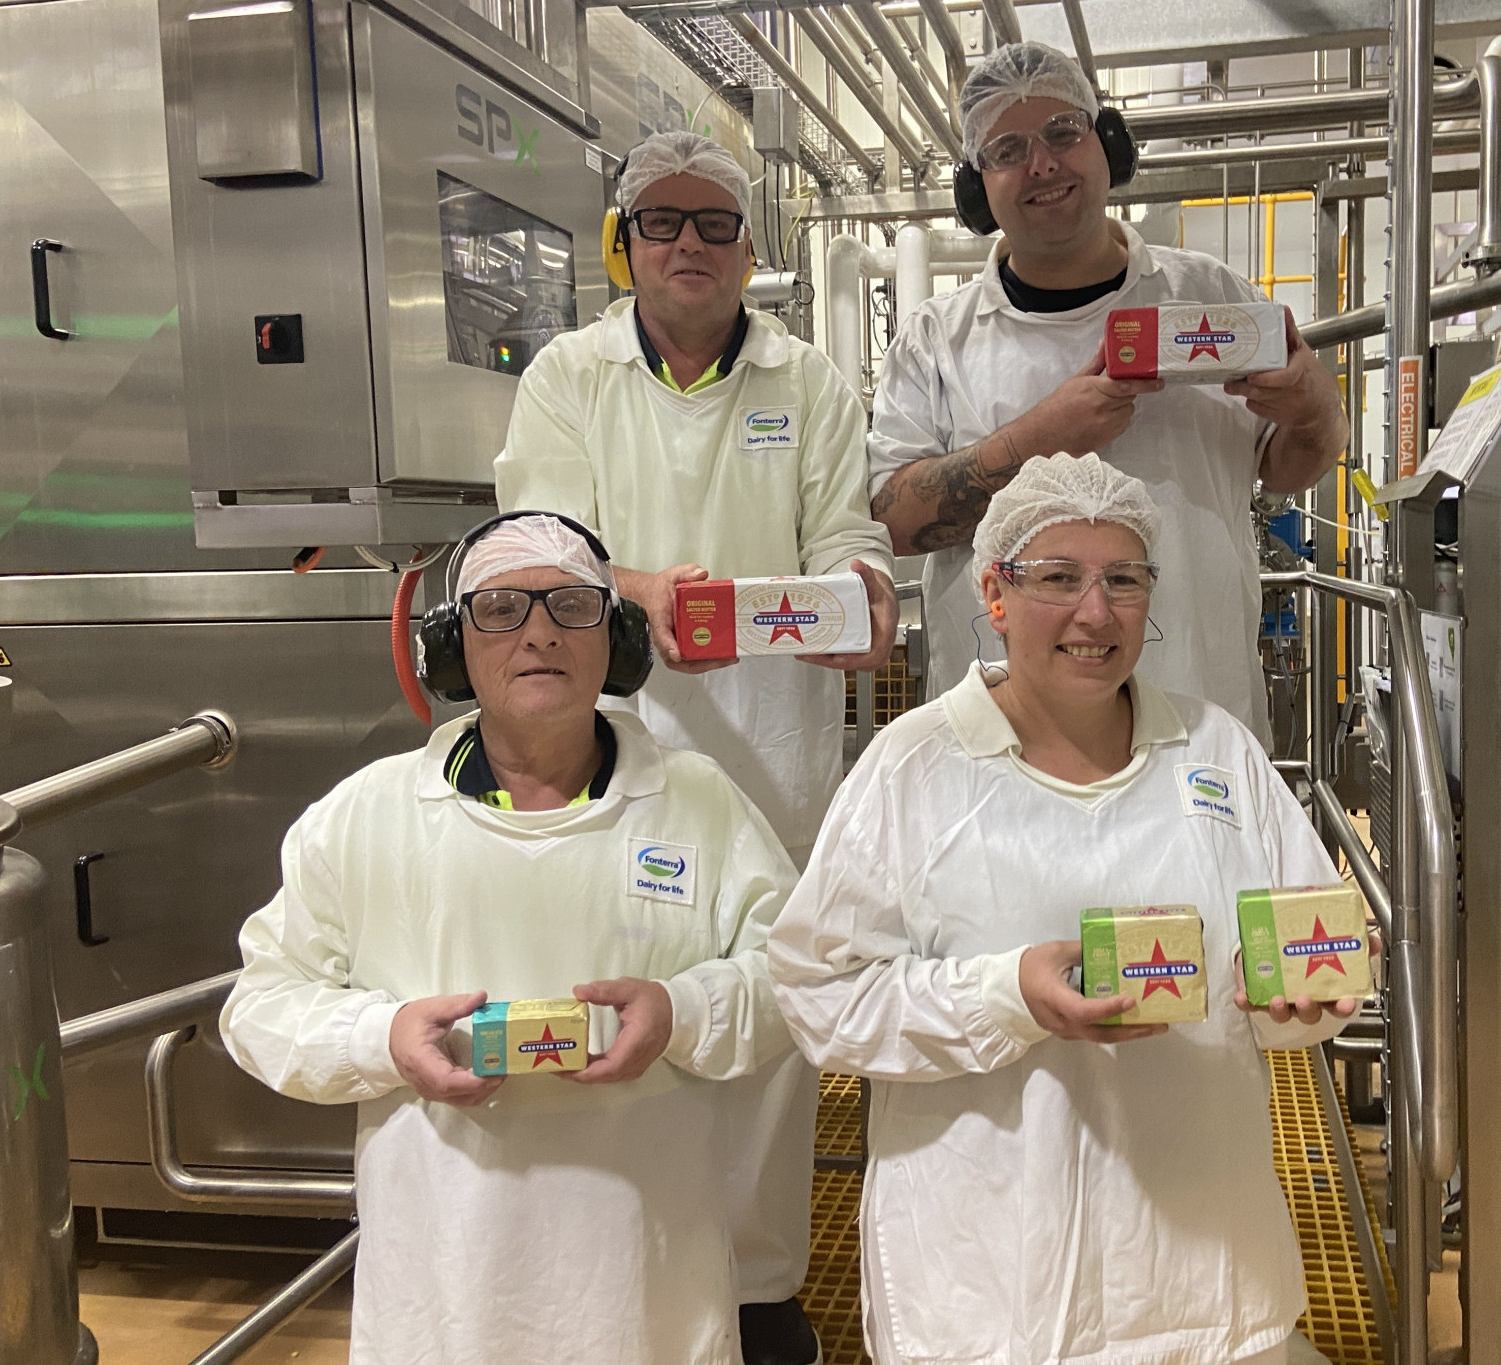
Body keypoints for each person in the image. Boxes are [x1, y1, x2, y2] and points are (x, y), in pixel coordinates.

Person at [768, 454, 1368, 1365]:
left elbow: (1296, 945)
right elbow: (820, 994)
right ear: (995, 592)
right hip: (989, 1292)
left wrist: (1305, 1004)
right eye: (1058, 577)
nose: (1096, 613)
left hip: (1199, 1275)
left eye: (1123, 579)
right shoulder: (914, 766)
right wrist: (1008, 995)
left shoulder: (1217, 750)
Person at [495, 131, 893, 1365]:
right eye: (659, 221)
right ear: (626, 244)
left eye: (712, 221)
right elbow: (532, 548)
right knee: (613, 986)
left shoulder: (806, 381)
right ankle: (618, 1271)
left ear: (748, 247)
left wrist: (861, 599)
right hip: (603, 735)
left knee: (762, 998)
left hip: (774, 742)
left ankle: (758, 1285)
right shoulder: (570, 375)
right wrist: (634, 588)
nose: (686, 243)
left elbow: (845, 539)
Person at [220, 514, 795, 1365]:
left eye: (571, 605)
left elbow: (796, 976)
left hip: (646, 1288)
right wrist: (382, 1037)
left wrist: (683, 1011)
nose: (538, 633)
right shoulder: (365, 817)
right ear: (452, 647)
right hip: (445, 1290)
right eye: (500, 609)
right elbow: (259, 1005)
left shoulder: (699, 803)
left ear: (618, 639)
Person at [868, 42, 1349, 743]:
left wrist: (1316, 408)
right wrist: (1044, 438)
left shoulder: (1207, 295)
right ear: (977, 188)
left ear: (1108, 144)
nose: (1043, 163)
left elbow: (1288, 464)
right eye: (1008, 149)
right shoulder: (936, 340)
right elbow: (894, 520)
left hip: (1198, 722)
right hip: (1006, 744)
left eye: (1064, 132)